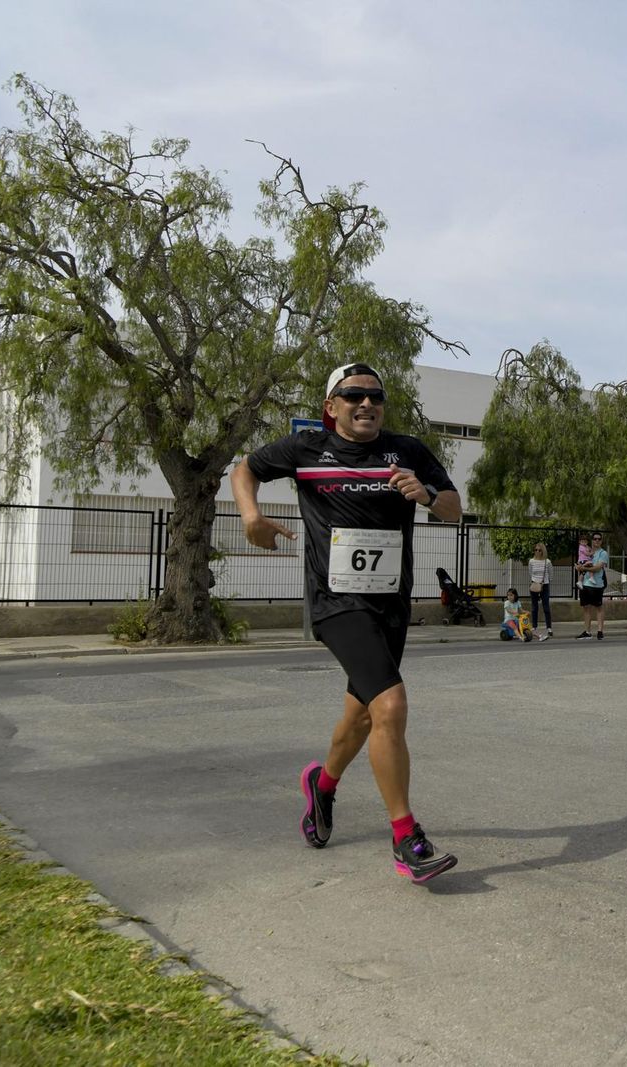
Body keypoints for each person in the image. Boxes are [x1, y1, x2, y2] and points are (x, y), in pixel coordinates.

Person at [230, 361, 462, 885]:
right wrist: (250, 517)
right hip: (336, 602)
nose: (367, 404)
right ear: (330, 406)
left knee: (362, 718)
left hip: (390, 604)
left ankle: (322, 785)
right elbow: (244, 468)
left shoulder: (408, 452)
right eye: (354, 395)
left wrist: (424, 495)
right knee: (392, 704)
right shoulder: (306, 450)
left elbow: (453, 508)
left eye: (375, 397)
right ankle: (407, 838)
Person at [575, 532, 608, 640]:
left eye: (599, 539)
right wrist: (579, 567)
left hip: (597, 584)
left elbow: (598, 568)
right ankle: (587, 631)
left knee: (598, 607)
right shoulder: (586, 550)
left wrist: (583, 568)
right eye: (595, 539)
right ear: (592, 540)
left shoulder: (603, 553)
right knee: (586, 607)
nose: (597, 541)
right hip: (585, 583)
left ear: (601, 541)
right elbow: (580, 562)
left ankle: (600, 631)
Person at [528, 542, 553, 641]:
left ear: (543, 551)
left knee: (546, 607)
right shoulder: (531, 561)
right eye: (536, 550)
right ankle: (534, 626)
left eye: (539, 550)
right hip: (534, 585)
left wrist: (544, 582)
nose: (537, 552)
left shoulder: (547, 562)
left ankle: (549, 627)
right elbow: (530, 573)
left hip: (544, 585)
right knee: (534, 607)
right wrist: (536, 582)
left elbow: (551, 575)